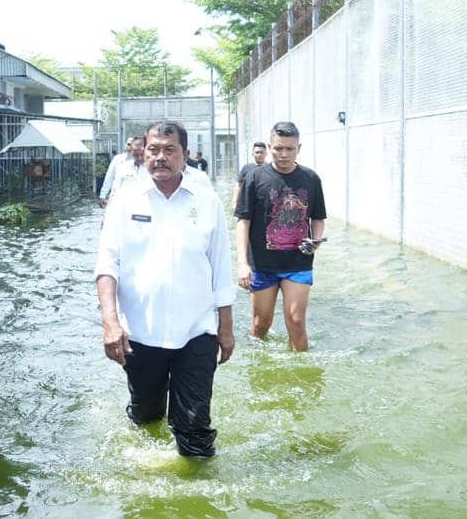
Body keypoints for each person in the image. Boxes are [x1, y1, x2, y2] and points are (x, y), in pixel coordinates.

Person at [94, 120, 235, 457]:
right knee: (146, 417)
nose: (160, 157)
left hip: (197, 331)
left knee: (195, 430)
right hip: (141, 333)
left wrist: (225, 329)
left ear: (185, 155)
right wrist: (111, 323)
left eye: (169, 150)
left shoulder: (207, 201)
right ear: (143, 154)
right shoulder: (125, 200)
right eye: (153, 150)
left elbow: (221, 270)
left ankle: (200, 496)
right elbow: (106, 266)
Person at [235, 122, 326, 352]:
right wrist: (242, 264)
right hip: (263, 265)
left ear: (299, 148)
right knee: (260, 325)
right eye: (278, 148)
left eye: (289, 149)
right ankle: (257, 371)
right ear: (269, 147)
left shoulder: (311, 179)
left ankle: (301, 375)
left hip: (298, 263)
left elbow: (318, 219)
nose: (283, 154)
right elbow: (243, 222)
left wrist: (315, 241)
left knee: (296, 322)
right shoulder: (255, 178)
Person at [98, 138, 134, 207]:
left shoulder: (140, 161)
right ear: (125, 145)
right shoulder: (117, 159)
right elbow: (109, 177)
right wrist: (102, 195)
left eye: (132, 145)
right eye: (128, 144)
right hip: (115, 196)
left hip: (131, 198)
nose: (129, 147)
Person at [231, 142, 268, 211]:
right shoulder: (246, 168)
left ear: (266, 153)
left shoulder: (269, 168)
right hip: (247, 204)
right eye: (257, 152)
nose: (259, 155)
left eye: (261, 152)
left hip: (264, 206)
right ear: (252, 153)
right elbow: (238, 186)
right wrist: (234, 203)